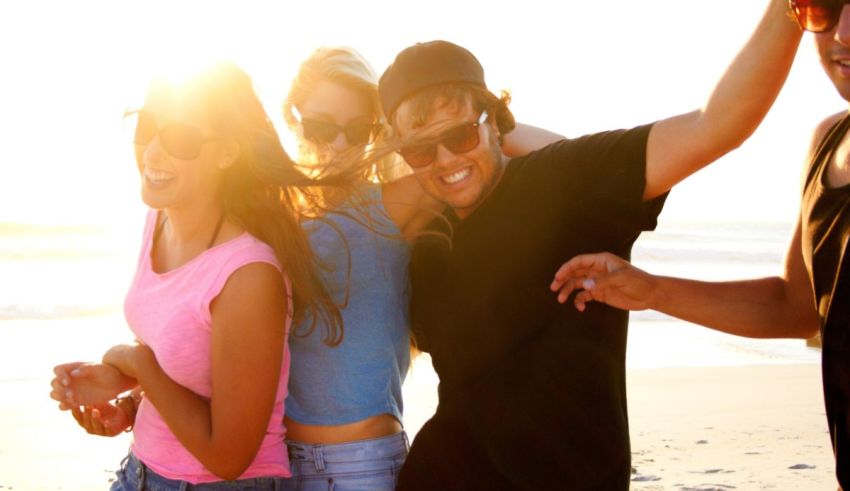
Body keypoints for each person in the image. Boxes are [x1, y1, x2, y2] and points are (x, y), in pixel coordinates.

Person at [373, 1, 802, 489]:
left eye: (460, 134)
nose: (445, 159)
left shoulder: (566, 181)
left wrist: (793, 8)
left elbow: (717, 124)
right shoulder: (424, 239)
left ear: (494, 119)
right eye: (420, 148)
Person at [550, 2, 850, 488]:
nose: (844, 33)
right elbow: (795, 306)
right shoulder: (827, 142)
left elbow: (719, 122)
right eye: (822, 7)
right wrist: (652, 292)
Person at [278, 46, 564, 490]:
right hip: (275, 466)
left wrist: (482, 126)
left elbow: (566, 162)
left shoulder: (394, 204)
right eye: (320, 128)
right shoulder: (275, 218)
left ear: (379, 135)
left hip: (361, 468)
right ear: (293, 120)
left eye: (356, 131)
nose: (337, 145)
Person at [48, 62, 340, 490]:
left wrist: (136, 363)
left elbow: (229, 457)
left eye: (180, 138)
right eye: (146, 126)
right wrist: (129, 400)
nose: (151, 152)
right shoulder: (159, 220)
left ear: (227, 151)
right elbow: (189, 360)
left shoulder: (249, 276)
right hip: (141, 473)